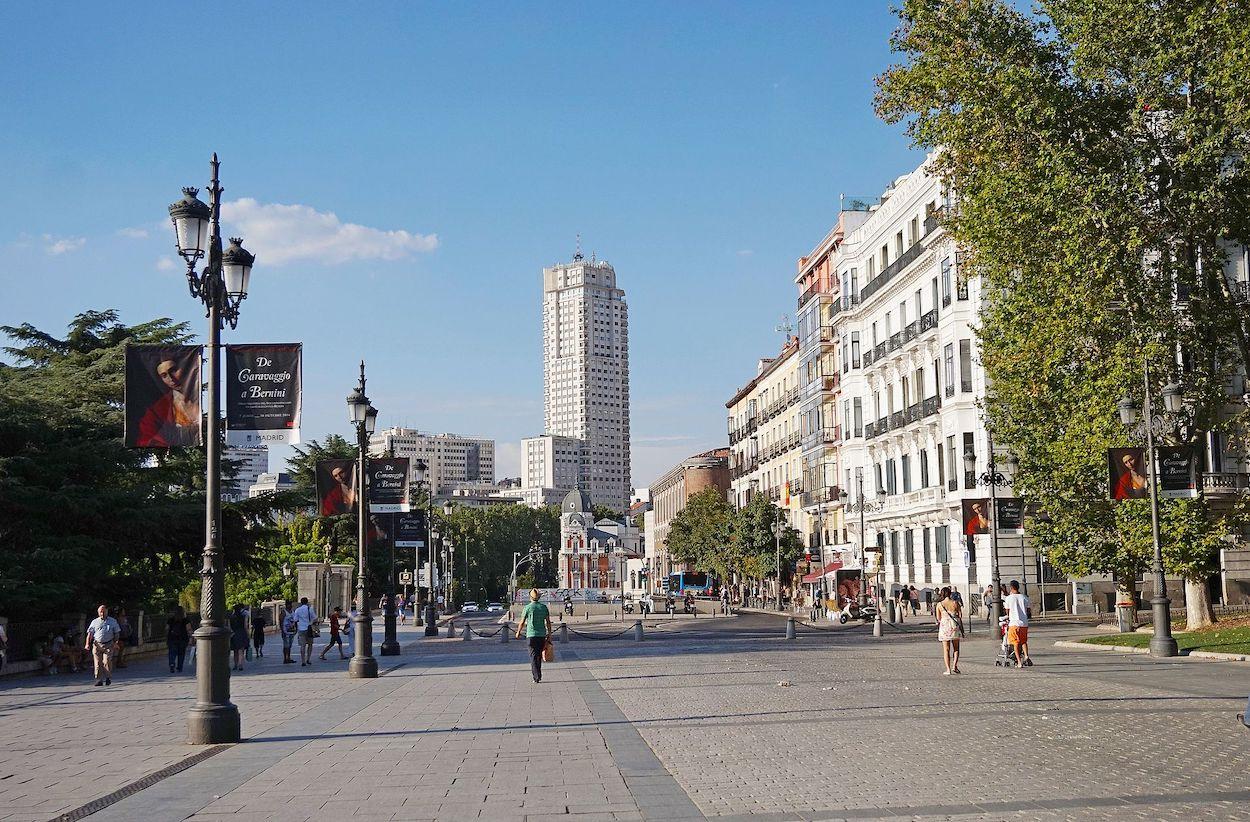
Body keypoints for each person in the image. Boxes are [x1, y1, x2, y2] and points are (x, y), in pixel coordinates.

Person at [135, 355, 201, 447]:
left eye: (173, 371)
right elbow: (146, 438)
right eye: (164, 375)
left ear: (185, 368)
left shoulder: (203, 399)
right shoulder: (157, 410)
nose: (171, 379)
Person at [515, 589, 553, 684]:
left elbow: (522, 622)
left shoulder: (527, 608)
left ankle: (536, 677)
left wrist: (518, 632)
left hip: (531, 635)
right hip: (541, 635)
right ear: (539, 597)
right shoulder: (543, 607)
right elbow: (548, 622)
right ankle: (538, 675)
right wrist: (549, 634)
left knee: (533, 656)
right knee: (539, 656)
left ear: (530, 597)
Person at [85, 605, 120, 686]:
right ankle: (99, 679)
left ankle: (108, 678)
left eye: (104, 611)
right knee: (97, 663)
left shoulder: (113, 621)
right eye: (101, 612)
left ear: (107, 611)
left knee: (106, 661)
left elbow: (117, 633)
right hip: (97, 644)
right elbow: (90, 634)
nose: (102, 613)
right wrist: (87, 644)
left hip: (109, 644)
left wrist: (115, 643)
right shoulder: (94, 622)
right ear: (98, 612)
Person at [935, 586, 964, 675]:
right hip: (954, 626)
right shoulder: (955, 603)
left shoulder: (939, 604)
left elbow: (938, 618)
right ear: (950, 593)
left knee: (946, 649)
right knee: (956, 648)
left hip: (944, 627)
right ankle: (954, 666)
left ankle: (948, 669)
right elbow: (960, 615)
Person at [1004, 580, 1032, 667]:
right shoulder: (1024, 597)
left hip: (1014, 623)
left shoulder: (1008, 598)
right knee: (1023, 641)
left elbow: (1007, 611)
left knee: (1015, 642)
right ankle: (1026, 657)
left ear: (1011, 588)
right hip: (1024, 623)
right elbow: (1028, 610)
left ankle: (1019, 662)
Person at [293, 597, 317, 666]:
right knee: (310, 644)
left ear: (301, 602)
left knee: (302, 646)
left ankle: (303, 661)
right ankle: (308, 659)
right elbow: (315, 618)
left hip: (301, 629)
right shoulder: (310, 609)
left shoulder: (297, 610)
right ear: (307, 602)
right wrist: (311, 622)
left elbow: (295, 619)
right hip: (309, 628)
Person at [167, 606, 191, 673]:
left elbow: (166, 628)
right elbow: (188, 629)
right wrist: (191, 637)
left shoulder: (171, 619)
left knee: (172, 652)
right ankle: (179, 667)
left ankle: (172, 664)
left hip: (172, 638)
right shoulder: (185, 620)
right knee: (181, 654)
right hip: (183, 639)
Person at [229, 604, 249, 671]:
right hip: (241, 633)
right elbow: (245, 626)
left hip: (234, 634)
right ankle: (240, 664)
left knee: (235, 651)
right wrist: (247, 634)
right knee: (241, 650)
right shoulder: (243, 616)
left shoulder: (231, 617)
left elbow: (229, 627)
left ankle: (235, 665)